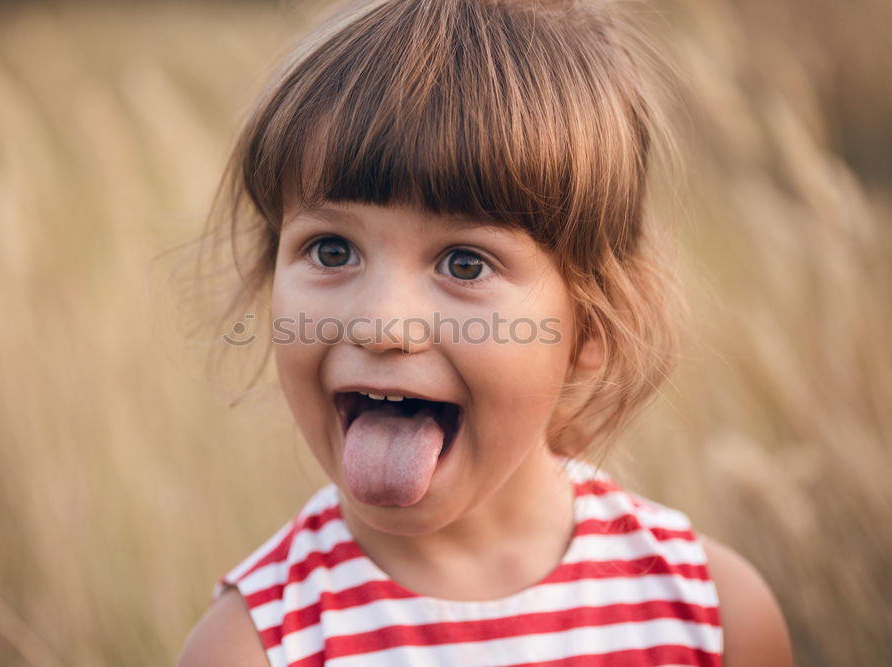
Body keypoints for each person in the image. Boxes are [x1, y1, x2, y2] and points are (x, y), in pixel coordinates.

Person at [176, 0, 794, 664]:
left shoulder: (712, 618)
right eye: (331, 251)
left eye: (464, 262)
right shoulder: (254, 645)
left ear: (593, 321)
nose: (381, 323)